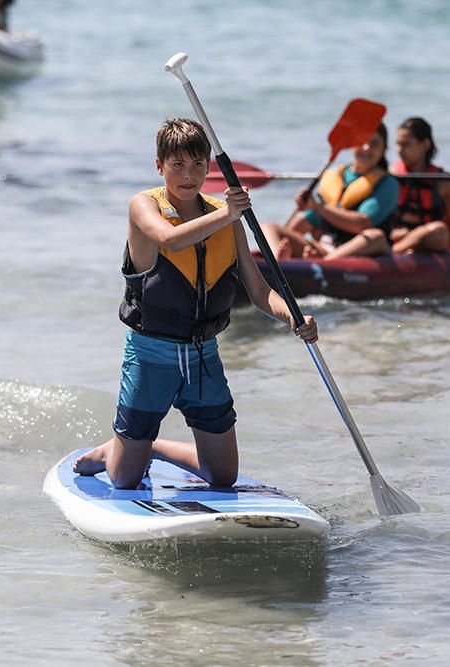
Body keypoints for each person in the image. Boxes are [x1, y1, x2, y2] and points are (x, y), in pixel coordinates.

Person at [73, 119, 318, 490]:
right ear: (160, 166)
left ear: (209, 166)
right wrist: (229, 213)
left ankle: (151, 447)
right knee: (124, 479)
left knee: (223, 477)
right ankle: (116, 452)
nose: (189, 176)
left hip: (204, 357)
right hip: (151, 354)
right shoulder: (143, 206)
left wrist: (292, 316)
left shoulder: (225, 216)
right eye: (178, 166)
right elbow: (170, 241)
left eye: (198, 165)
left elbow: (258, 289)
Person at [261, 123, 399, 260]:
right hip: (327, 247)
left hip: (362, 248)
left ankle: (323, 265)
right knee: (268, 227)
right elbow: (308, 220)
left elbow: (362, 224)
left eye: (374, 144)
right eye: (362, 141)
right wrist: (289, 235)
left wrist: (318, 207)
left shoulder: (387, 183)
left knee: (375, 236)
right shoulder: (337, 175)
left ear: (384, 150)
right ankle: (276, 262)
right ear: (353, 143)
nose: (366, 148)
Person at [388, 117, 450, 253]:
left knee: (439, 230)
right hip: (396, 238)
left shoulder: (444, 182)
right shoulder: (392, 174)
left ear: (425, 144)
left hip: (428, 243)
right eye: (398, 144)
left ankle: (394, 252)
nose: (399, 150)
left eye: (406, 144)